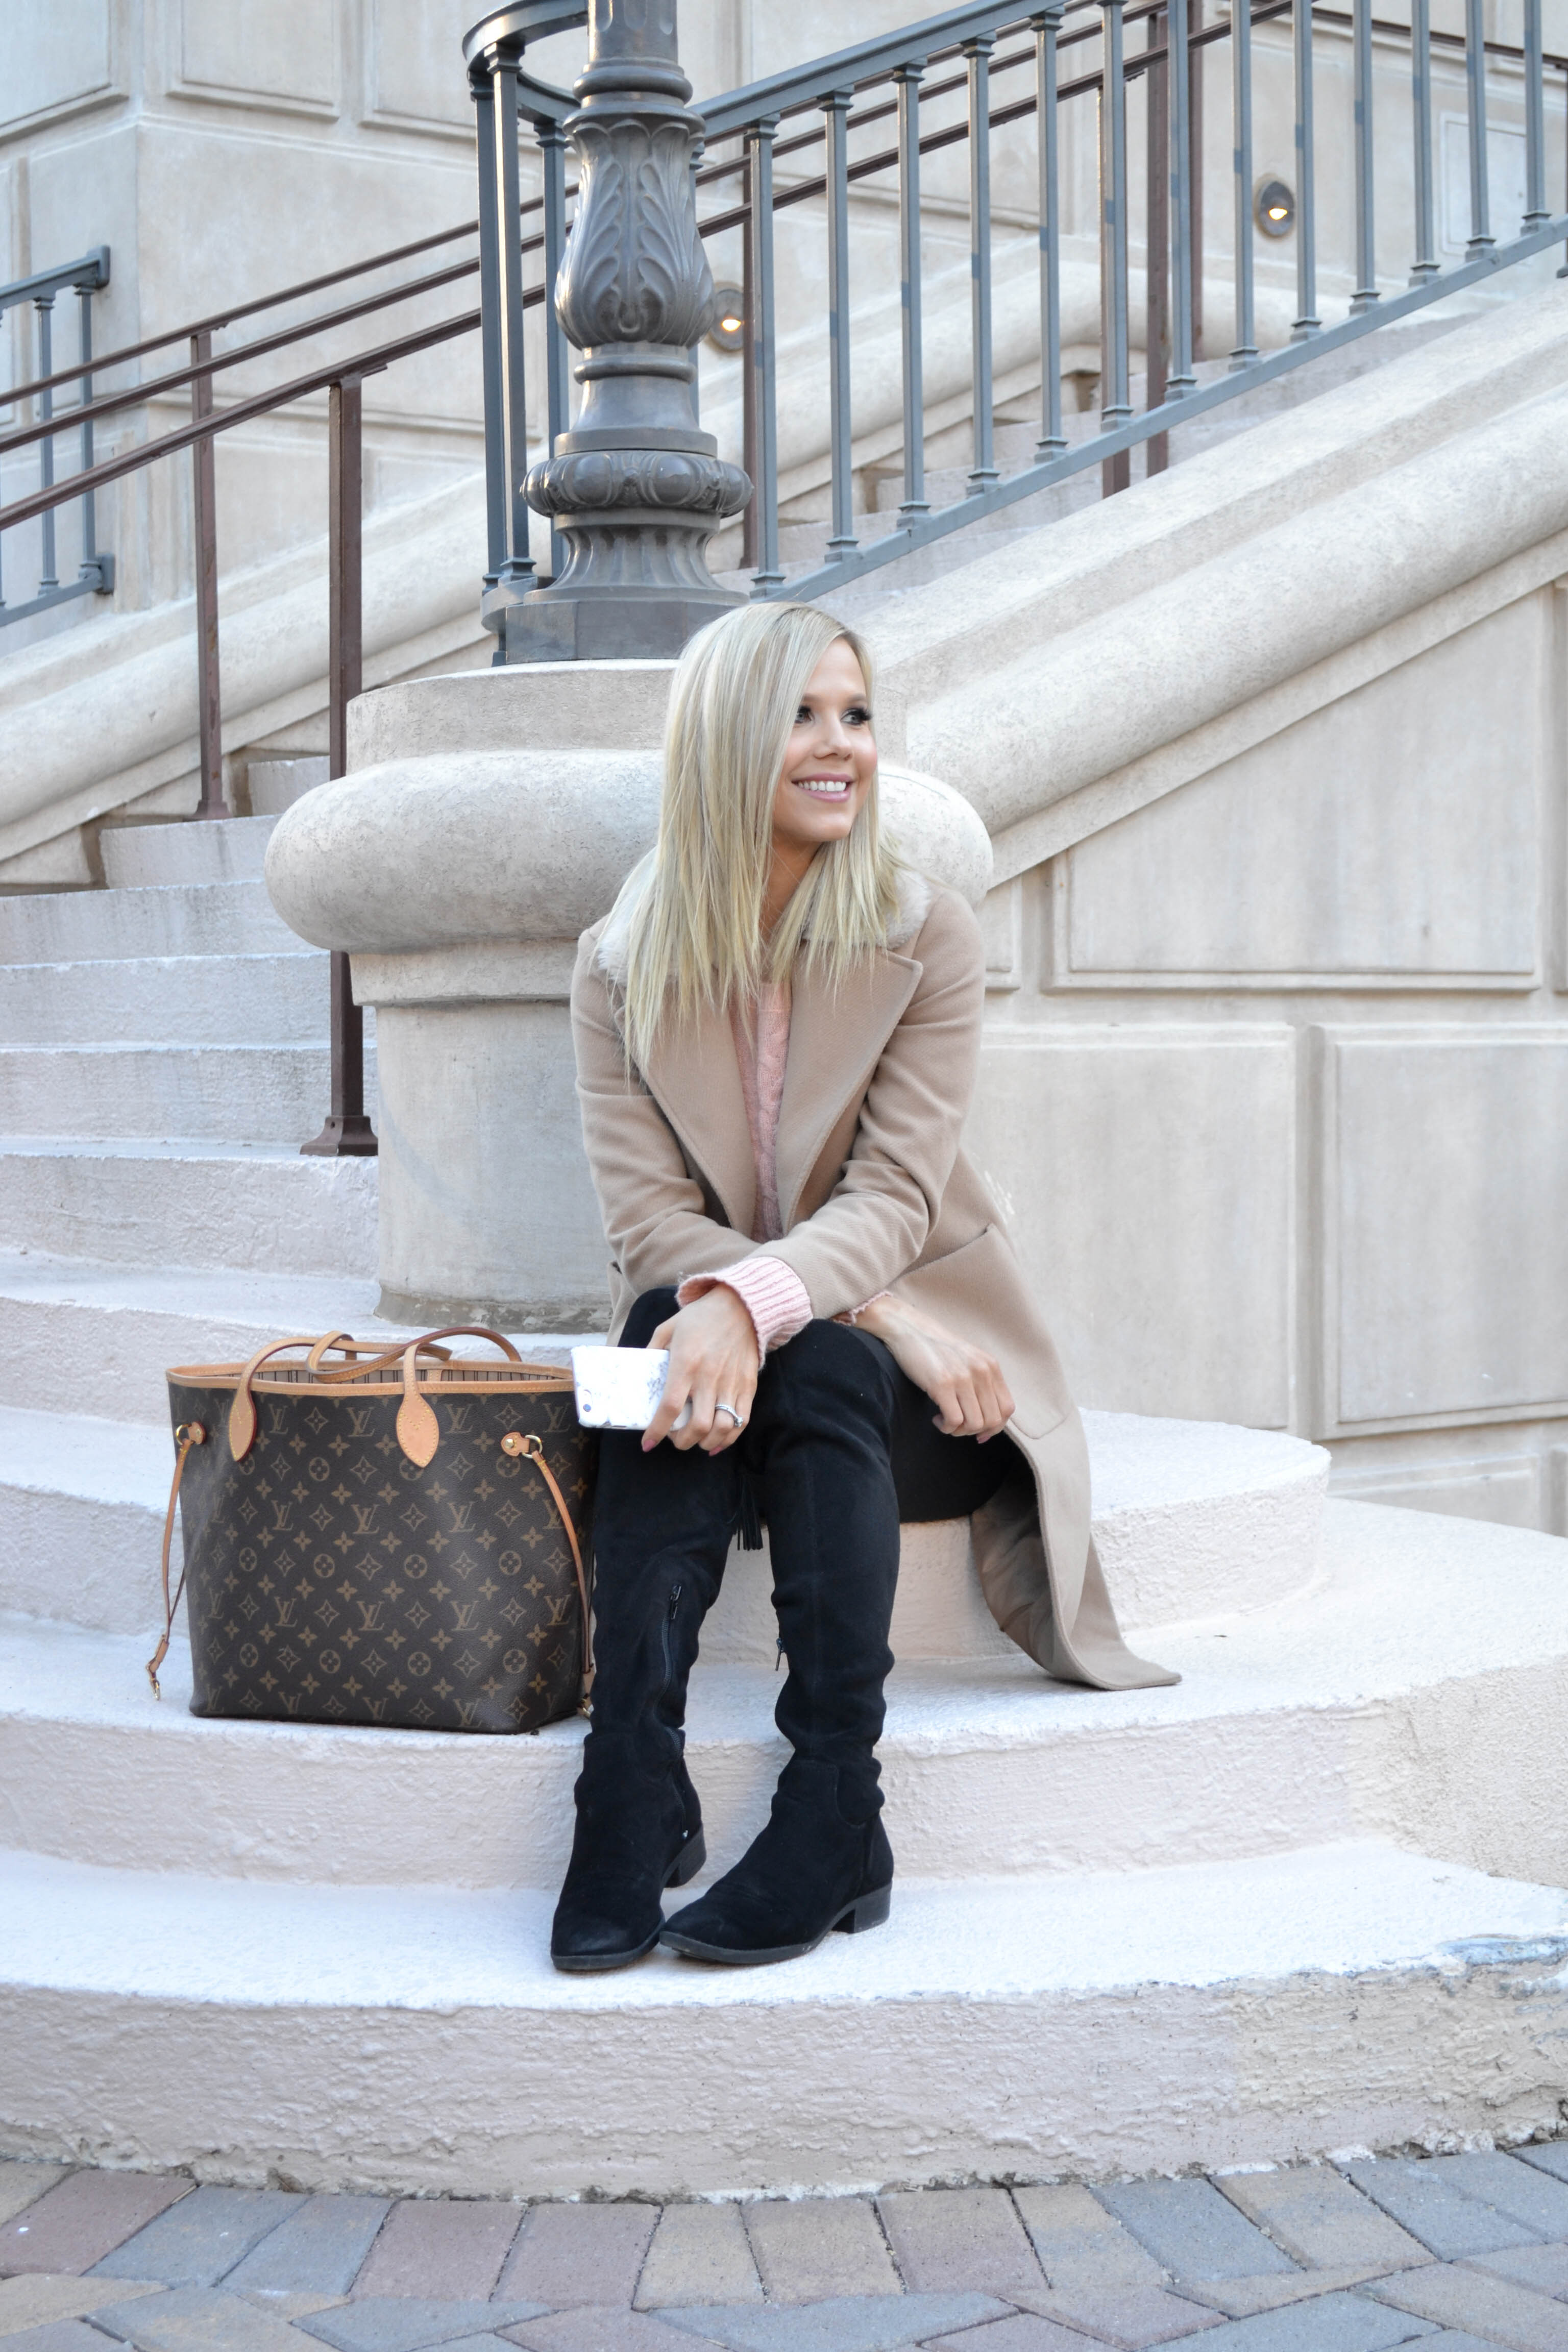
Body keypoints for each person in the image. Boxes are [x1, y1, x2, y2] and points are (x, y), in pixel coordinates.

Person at [553, 601, 1175, 1975]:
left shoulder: (923, 935)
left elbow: (895, 1197)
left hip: (918, 1396)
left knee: (815, 1356)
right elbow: (646, 1218)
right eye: (805, 716)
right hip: (730, 1363)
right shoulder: (615, 965)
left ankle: (832, 1796)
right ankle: (631, 1786)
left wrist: (803, 1307)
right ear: (725, 740)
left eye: (858, 715)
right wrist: (754, 1304)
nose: (843, 748)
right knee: (684, 1324)